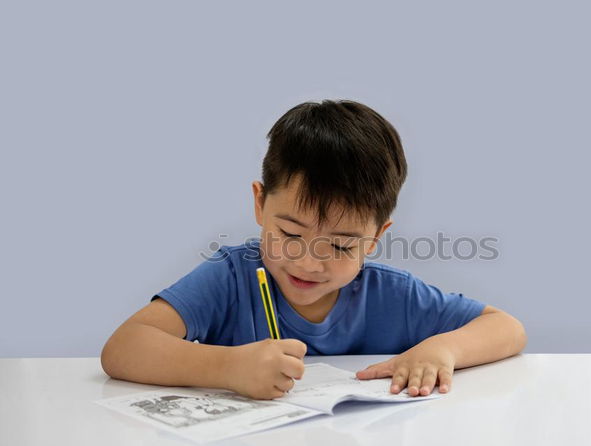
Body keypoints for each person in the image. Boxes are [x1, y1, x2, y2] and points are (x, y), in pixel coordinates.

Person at [101, 99, 527, 400]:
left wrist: (442, 349)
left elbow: (506, 328)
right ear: (259, 204)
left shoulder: (389, 295)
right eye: (289, 234)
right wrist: (226, 368)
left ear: (376, 237)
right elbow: (124, 348)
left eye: (341, 245)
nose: (308, 261)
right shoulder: (231, 277)